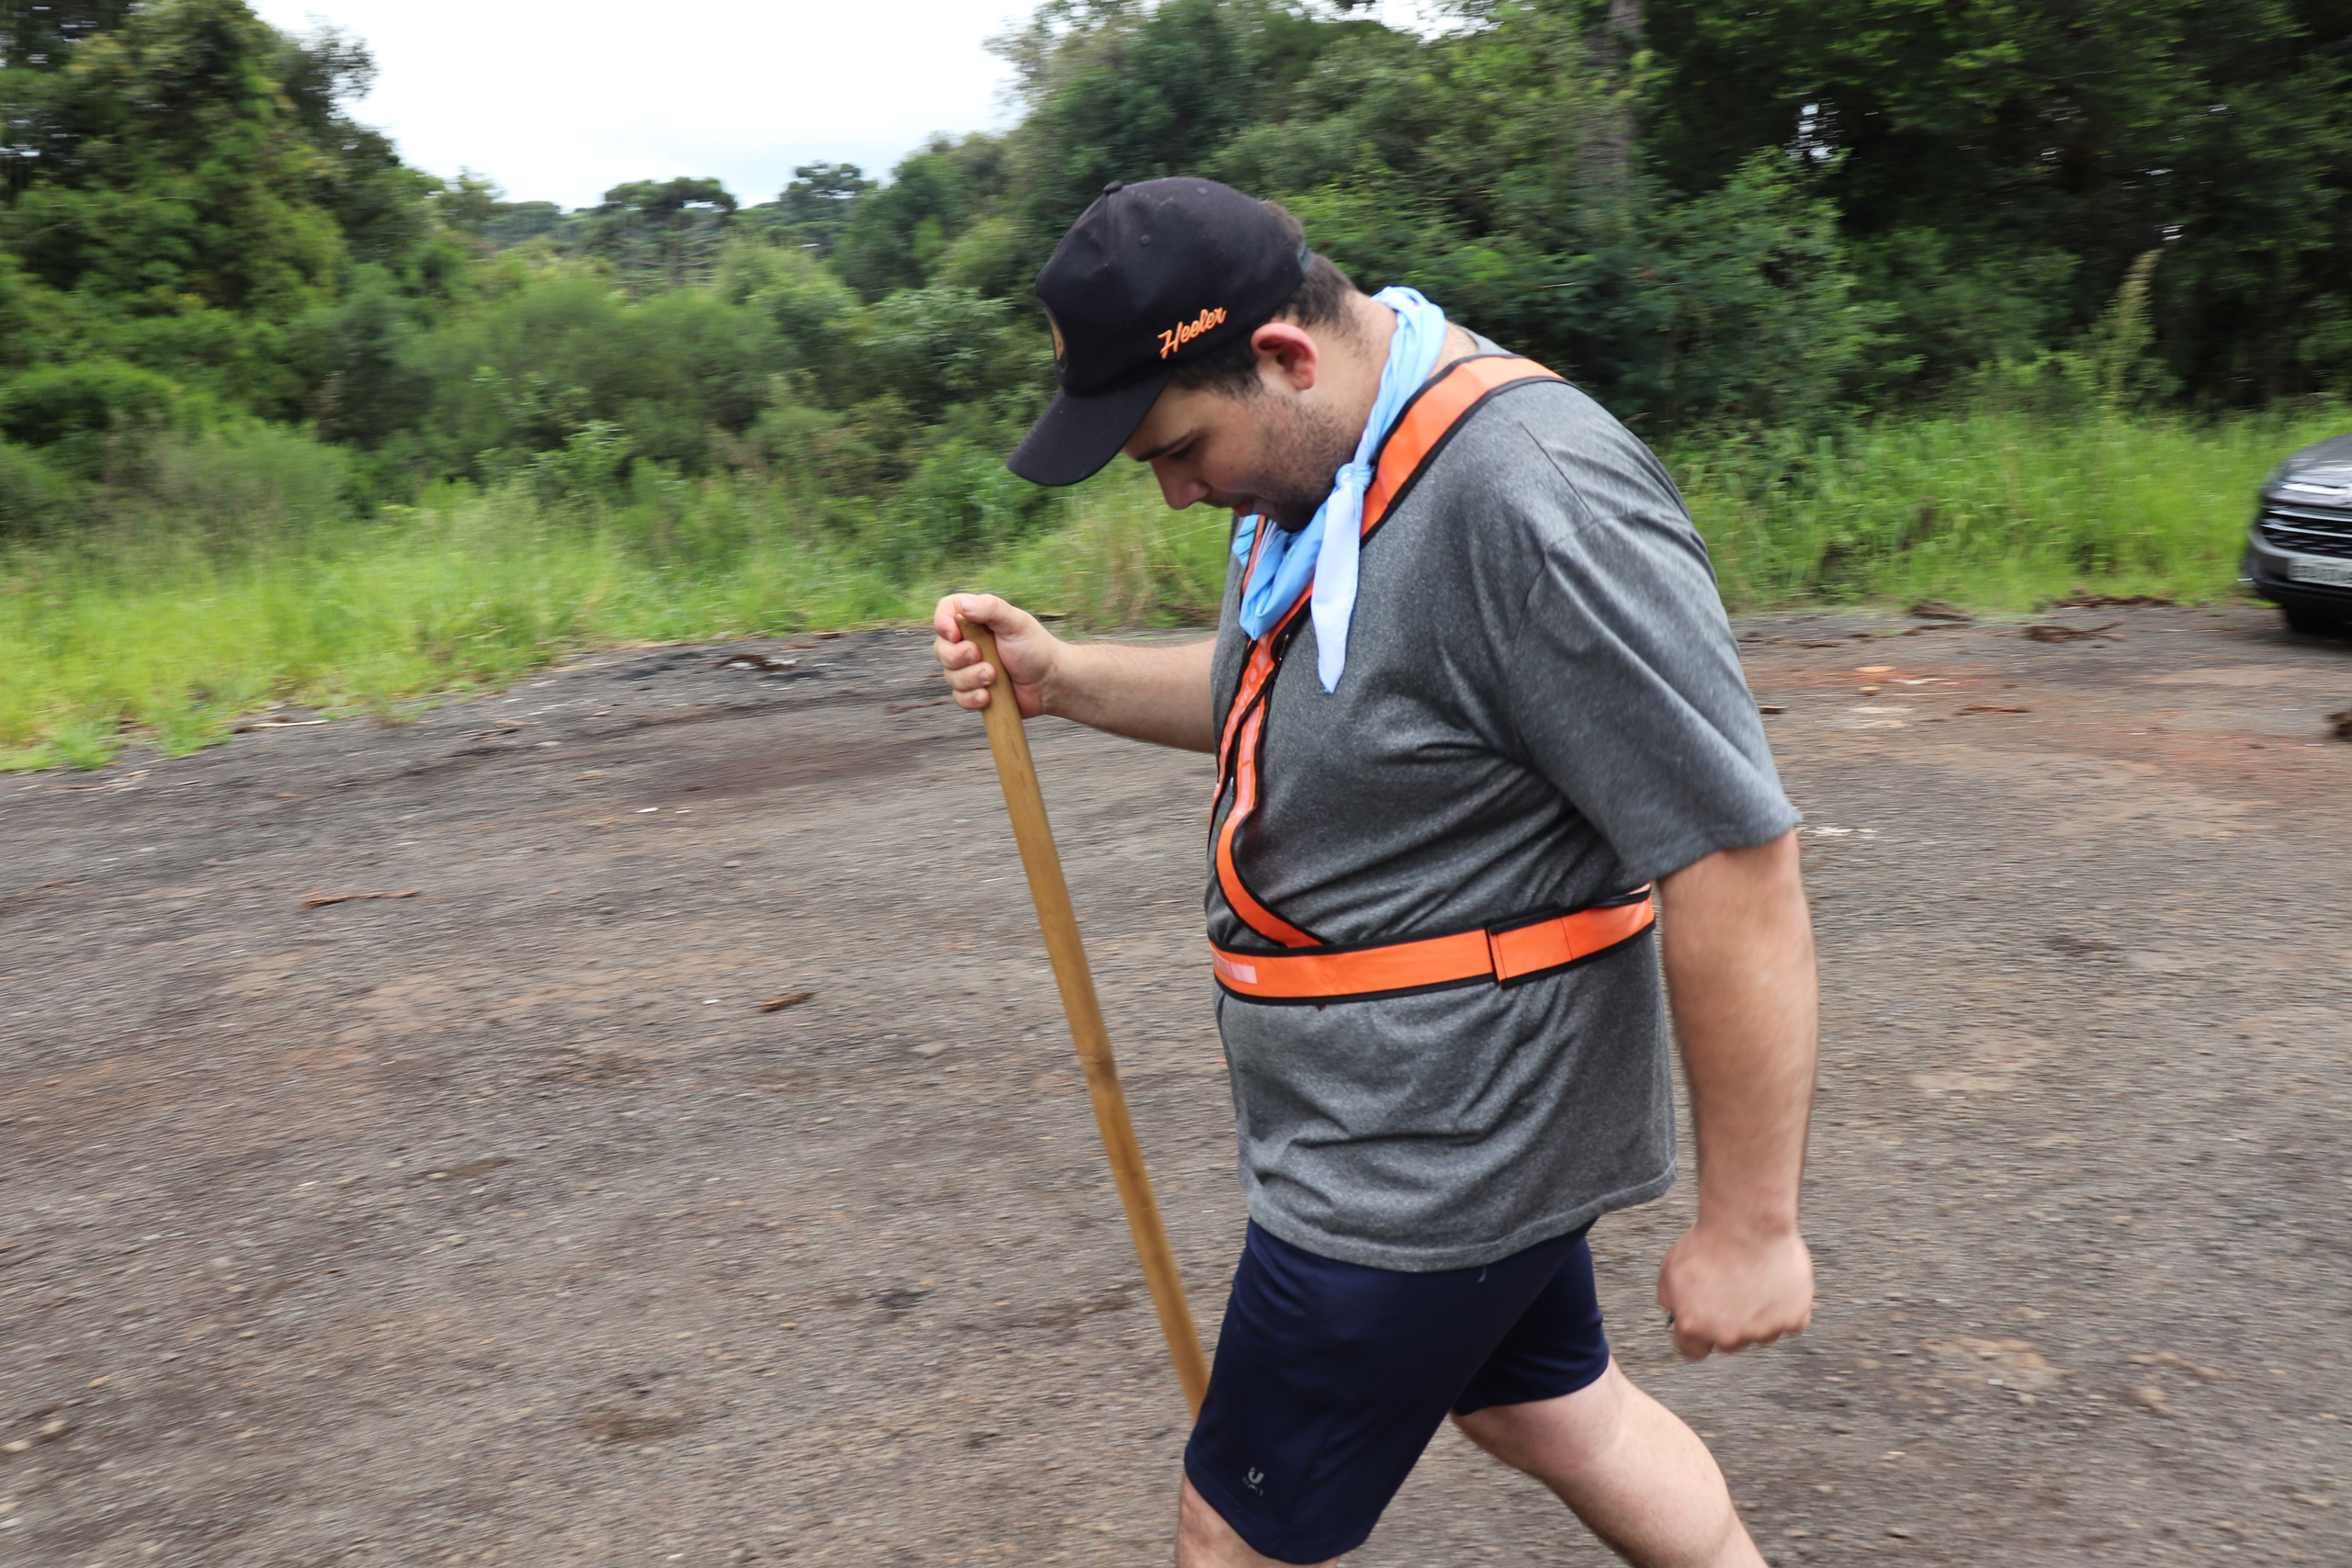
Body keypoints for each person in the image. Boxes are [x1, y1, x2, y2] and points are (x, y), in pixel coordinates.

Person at [933, 177, 1818, 1568]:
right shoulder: (1319, 470)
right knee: (1547, 1411)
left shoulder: (1533, 500)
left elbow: (1732, 856)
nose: (1173, 491)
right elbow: (1288, 702)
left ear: (1284, 358)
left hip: (1428, 1148)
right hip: (1408, 1114)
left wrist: (1751, 1225)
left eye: (1178, 447)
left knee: (1230, 1531)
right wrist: (1064, 679)